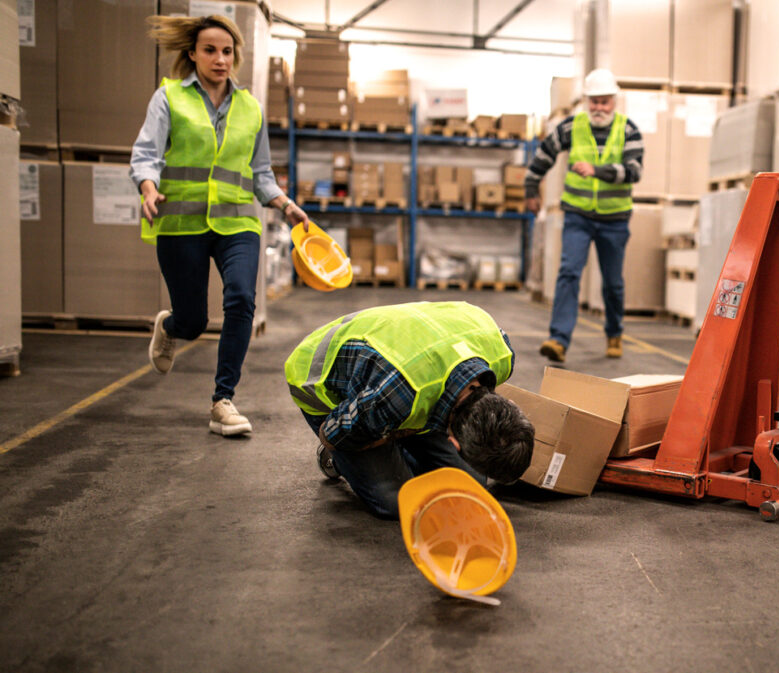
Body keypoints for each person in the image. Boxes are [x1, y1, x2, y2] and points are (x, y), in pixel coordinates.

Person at [130, 14, 310, 436]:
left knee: (242, 300)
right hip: (182, 224)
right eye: (210, 50)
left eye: (227, 51)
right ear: (192, 53)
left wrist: (285, 205)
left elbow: (260, 172)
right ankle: (171, 326)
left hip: (238, 223)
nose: (220, 59)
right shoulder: (169, 97)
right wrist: (148, 187)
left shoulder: (250, 109)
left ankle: (222, 400)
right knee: (193, 321)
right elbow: (147, 152)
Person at [284, 301, 535, 520]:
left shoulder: (502, 356)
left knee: (469, 484)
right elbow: (333, 433)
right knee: (397, 503)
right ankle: (346, 463)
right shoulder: (396, 395)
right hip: (321, 384)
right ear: (454, 443)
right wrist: (391, 433)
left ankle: (391, 450)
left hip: (408, 381)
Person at [525, 68, 644, 363]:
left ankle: (614, 333)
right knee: (569, 272)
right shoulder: (571, 127)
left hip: (614, 220)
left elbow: (634, 171)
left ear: (614, 101)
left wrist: (597, 171)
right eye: (594, 102)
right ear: (586, 102)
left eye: (604, 102)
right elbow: (544, 154)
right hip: (578, 216)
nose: (599, 108)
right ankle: (558, 339)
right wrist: (530, 188)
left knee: (612, 282)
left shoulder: (629, 131)